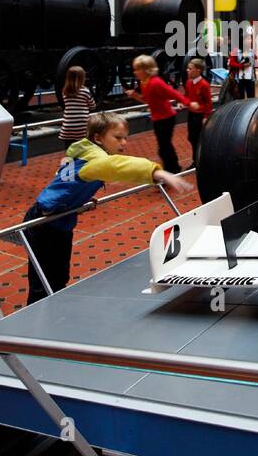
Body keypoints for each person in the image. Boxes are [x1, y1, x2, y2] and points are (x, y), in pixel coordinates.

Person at [23, 112, 191, 303]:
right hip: (43, 223)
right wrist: (158, 173)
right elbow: (118, 166)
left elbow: (65, 180)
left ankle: (52, 314)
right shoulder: (96, 160)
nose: (124, 143)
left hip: (60, 222)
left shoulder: (82, 154)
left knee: (58, 279)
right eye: (118, 137)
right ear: (98, 138)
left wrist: (79, 200)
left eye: (125, 138)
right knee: (42, 285)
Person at [127, 55, 199, 174]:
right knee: (164, 146)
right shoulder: (144, 83)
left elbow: (174, 94)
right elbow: (146, 100)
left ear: (146, 70)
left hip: (166, 118)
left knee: (164, 147)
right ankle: (173, 168)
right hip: (158, 118)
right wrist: (135, 95)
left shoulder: (156, 83)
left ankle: (172, 170)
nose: (135, 72)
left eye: (137, 69)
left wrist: (189, 104)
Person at [183, 58, 212, 164]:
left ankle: (198, 161)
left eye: (190, 69)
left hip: (199, 116)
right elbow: (187, 96)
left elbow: (208, 103)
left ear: (198, 70)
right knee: (191, 137)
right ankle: (197, 159)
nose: (187, 70)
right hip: (191, 114)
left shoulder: (204, 85)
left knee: (197, 139)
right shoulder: (188, 83)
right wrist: (183, 103)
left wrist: (205, 117)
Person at [58, 66, 95, 144]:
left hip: (68, 126)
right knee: (83, 148)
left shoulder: (64, 92)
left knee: (69, 149)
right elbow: (93, 106)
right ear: (82, 78)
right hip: (82, 126)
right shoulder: (85, 91)